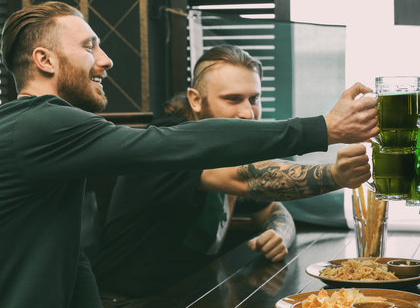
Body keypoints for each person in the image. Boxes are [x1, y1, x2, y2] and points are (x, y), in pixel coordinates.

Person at [0, 1, 379, 308]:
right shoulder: (41, 125)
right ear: (44, 60)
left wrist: (282, 225)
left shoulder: (55, 135)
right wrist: (324, 130)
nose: (106, 59)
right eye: (88, 46)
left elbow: (71, 257)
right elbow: (190, 151)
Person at [93, 45, 371, 302]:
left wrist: (277, 232)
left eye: (254, 98)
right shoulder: (169, 144)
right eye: (232, 99)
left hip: (191, 295)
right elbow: (248, 178)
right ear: (196, 100)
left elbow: (274, 209)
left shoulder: (231, 153)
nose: (248, 113)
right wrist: (335, 175)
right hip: (127, 302)